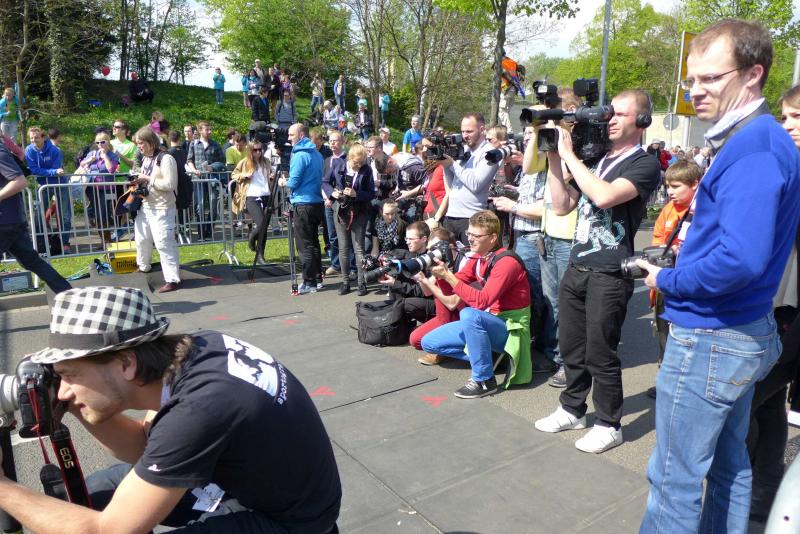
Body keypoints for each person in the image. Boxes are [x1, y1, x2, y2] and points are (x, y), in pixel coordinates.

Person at [0, 286, 341, 533]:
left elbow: (108, 530)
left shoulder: (200, 408)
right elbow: (143, 447)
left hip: (291, 522)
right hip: (247, 484)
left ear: (126, 363)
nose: (62, 390)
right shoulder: (197, 350)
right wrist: (74, 406)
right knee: (90, 495)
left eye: (70, 375)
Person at [636, 20, 800, 533]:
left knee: (674, 480)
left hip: (713, 335)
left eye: (710, 78)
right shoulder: (760, 139)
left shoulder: (755, 147)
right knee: (729, 468)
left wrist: (667, 282)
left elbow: (740, 260)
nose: (695, 91)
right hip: (736, 331)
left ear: (754, 74)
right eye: (692, 79)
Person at [533, 89, 660, 454]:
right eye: (609, 113)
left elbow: (604, 196)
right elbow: (561, 205)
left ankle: (609, 423)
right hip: (578, 265)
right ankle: (572, 409)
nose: (610, 120)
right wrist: (554, 156)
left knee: (600, 352)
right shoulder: (598, 158)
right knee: (571, 347)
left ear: (642, 121)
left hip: (610, 271)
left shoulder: (644, 164)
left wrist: (570, 155)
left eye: (620, 114)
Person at [746, 83, 800, 527]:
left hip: (790, 312)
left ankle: (739, 489)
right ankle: (762, 493)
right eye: (785, 117)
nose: (787, 126)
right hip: (777, 304)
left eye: (797, 117)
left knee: (742, 404)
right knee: (766, 402)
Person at [420, 210, 531, 398]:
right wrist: (441, 275)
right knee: (429, 342)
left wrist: (449, 276)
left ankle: (484, 380)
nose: (470, 239)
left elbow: (482, 301)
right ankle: (487, 358)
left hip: (512, 328)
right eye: (469, 234)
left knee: (469, 314)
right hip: (489, 322)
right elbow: (452, 290)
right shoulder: (479, 257)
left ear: (493, 238)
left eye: (476, 236)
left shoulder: (507, 262)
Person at [491, 124, 553, 373]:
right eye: (525, 132)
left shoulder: (549, 164)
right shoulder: (530, 166)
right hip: (523, 235)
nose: (525, 137)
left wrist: (512, 207)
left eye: (531, 133)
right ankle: (533, 345)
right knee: (531, 294)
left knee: (539, 296)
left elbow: (548, 208)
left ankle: (545, 352)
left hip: (536, 237)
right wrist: (515, 192)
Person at [645, 160, 702, 398]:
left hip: (688, 286)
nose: (670, 191)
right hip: (663, 284)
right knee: (664, 335)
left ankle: (687, 386)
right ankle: (665, 381)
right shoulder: (668, 209)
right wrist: (664, 252)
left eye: (676, 186)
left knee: (687, 338)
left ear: (695, 184)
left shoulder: (704, 210)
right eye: (668, 186)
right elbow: (657, 240)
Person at [0, 140, 70, 292]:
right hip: (12, 221)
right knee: (33, 262)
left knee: (33, 262)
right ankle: (68, 294)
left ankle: (69, 295)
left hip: (5, 222)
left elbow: (20, 182)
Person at [131, 127, 181, 293]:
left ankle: (172, 279)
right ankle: (143, 266)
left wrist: (147, 178)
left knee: (163, 243)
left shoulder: (166, 159)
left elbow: (170, 184)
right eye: (137, 144)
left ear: (151, 142)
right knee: (141, 239)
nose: (139, 146)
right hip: (146, 205)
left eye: (141, 143)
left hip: (163, 208)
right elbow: (148, 180)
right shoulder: (146, 158)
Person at [440, 112, 500, 245]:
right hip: (451, 215)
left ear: (482, 129)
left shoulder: (490, 153)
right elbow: (452, 185)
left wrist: (452, 164)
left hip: (471, 218)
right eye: (462, 131)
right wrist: (445, 165)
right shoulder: (464, 150)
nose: (464, 135)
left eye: (469, 131)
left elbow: (476, 184)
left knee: (470, 256)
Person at [278, 123, 325, 294]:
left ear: (301, 135)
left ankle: (309, 281)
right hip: (316, 202)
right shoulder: (317, 154)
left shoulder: (299, 155)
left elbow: (294, 182)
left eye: (292, 135)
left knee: (304, 244)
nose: (289, 138)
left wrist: (283, 182)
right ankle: (317, 278)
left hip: (303, 203)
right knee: (313, 242)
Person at [329, 143, 374, 295]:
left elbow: (371, 193)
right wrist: (332, 193)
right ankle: (345, 282)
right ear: (350, 158)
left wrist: (357, 194)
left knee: (359, 248)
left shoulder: (367, 169)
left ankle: (361, 283)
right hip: (341, 211)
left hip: (359, 211)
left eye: (362, 162)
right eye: (356, 162)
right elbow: (325, 182)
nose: (359, 165)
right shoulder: (338, 165)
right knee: (343, 247)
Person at [410, 228, 464, 351]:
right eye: (429, 249)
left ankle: (456, 346)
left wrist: (442, 276)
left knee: (425, 342)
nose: (431, 253)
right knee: (415, 339)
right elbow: (427, 292)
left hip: (464, 315)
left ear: (450, 247)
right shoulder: (440, 262)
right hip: (444, 317)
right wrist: (421, 278)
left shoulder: (463, 262)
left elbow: (452, 304)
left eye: (435, 248)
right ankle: (446, 342)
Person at [25, 126, 72, 253]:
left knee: (64, 215)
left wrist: (50, 172)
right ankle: (40, 243)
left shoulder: (55, 150)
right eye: (31, 138)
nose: (33, 140)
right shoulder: (29, 150)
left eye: (36, 137)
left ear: (43, 137)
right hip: (42, 186)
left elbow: (57, 169)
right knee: (38, 216)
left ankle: (65, 243)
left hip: (60, 184)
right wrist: (52, 172)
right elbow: (34, 169)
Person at [381, 221, 435, 323]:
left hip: (428, 303)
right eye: (406, 238)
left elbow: (423, 292)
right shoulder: (408, 253)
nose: (407, 242)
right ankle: (397, 320)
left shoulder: (431, 260)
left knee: (398, 279)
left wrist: (395, 284)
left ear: (424, 239)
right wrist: (382, 260)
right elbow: (391, 254)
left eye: (411, 239)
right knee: (396, 271)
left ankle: (398, 321)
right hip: (412, 297)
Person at [232, 140, 273, 265]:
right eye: (255, 150)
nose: (258, 152)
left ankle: (260, 255)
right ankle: (251, 237)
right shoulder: (244, 162)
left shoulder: (266, 161)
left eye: (260, 149)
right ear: (250, 151)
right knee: (261, 224)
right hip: (251, 197)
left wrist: (272, 176)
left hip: (266, 195)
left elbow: (269, 174)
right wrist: (245, 175)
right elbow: (234, 175)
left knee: (264, 227)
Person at [186, 121, 226, 240]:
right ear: (200, 130)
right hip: (198, 179)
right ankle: (201, 234)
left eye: (210, 129)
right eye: (207, 129)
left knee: (213, 207)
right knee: (200, 206)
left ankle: (208, 232)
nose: (209, 132)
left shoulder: (215, 145)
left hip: (213, 179)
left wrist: (212, 167)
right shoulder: (193, 144)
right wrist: (194, 170)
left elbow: (222, 162)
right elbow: (189, 160)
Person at [79, 131, 121, 245]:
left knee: (103, 214)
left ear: (108, 142)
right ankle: (104, 240)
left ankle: (107, 241)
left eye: (102, 142)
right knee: (94, 215)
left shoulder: (113, 155)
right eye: (97, 142)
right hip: (91, 187)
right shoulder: (93, 153)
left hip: (105, 189)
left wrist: (105, 157)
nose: (100, 144)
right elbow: (82, 164)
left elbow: (111, 170)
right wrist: (90, 160)